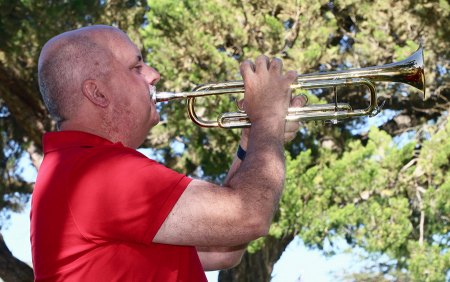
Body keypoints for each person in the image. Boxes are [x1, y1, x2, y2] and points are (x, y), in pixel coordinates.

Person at [31, 25, 306, 281]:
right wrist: (267, 117)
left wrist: (252, 138)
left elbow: (224, 247)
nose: (153, 74)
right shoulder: (96, 170)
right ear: (98, 93)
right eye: (136, 67)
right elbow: (250, 216)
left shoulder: (74, 168)